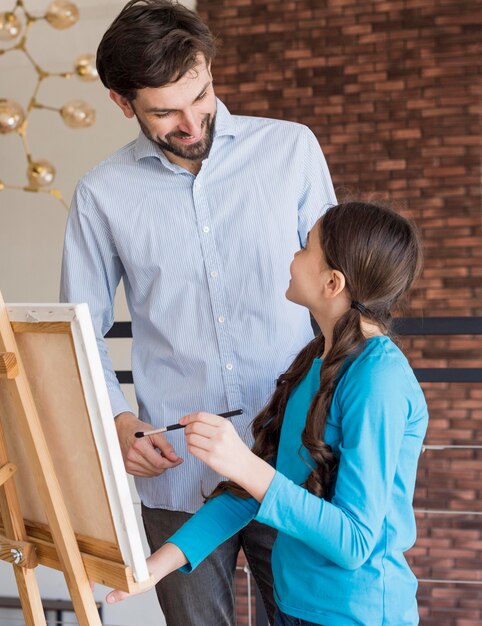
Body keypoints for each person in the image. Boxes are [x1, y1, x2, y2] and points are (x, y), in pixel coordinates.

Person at [60, 1, 336, 623]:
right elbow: (78, 332)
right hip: (174, 471)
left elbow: (337, 299)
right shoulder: (101, 194)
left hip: (287, 460)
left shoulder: (291, 151)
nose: (192, 121)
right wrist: (119, 424)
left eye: (201, 95)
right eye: (165, 111)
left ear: (209, 70)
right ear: (121, 102)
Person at [106, 201, 429, 626]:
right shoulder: (315, 361)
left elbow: (354, 541)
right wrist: (156, 567)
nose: (294, 255)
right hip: (294, 607)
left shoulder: (378, 379)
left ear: (332, 282)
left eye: (306, 247)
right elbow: (249, 492)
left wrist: (242, 463)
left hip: (356, 615)